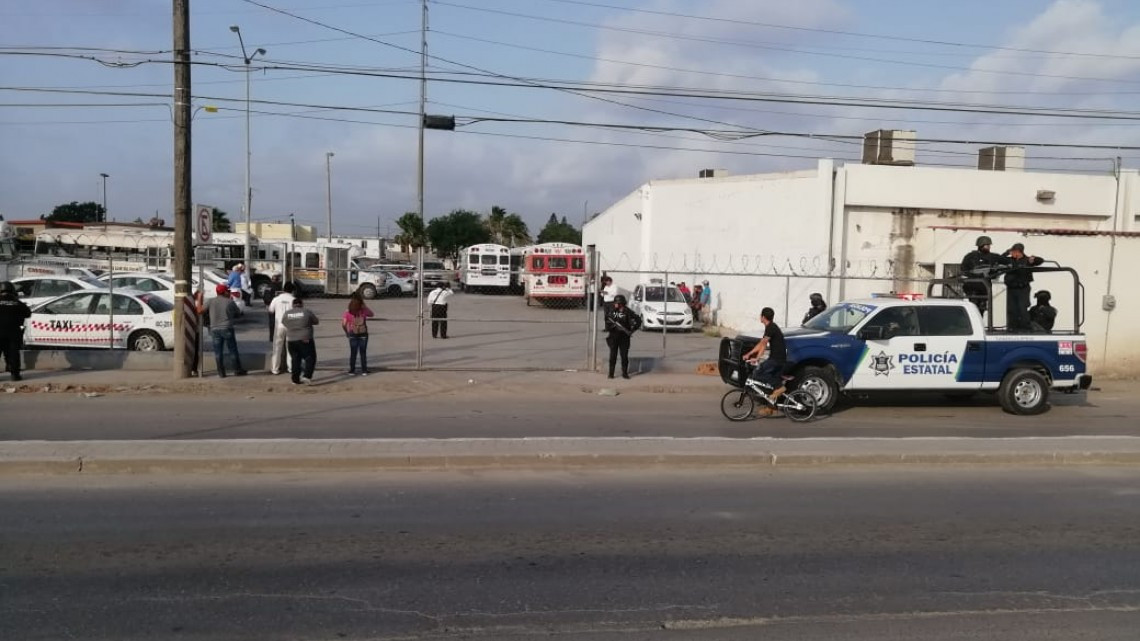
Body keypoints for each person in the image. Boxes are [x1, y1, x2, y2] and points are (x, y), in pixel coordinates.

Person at [742, 307, 787, 415]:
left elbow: (763, 344)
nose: (760, 317)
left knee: (758, 373)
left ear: (763, 317)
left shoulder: (771, 327)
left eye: (760, 315)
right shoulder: (770, 327)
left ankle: (780, 387)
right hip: (777, 359)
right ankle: (771, 408)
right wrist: (750, 354)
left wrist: (756, 358)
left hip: (777, 359)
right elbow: (762, 343)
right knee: (768, 384)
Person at [205, 283, 247, 377]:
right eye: (227, 291)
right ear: (224, 292)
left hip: (214, 329)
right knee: (232, 350)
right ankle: (237, 370)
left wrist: (199, 298)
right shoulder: (229, 302)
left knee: (218, 352)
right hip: (227, 328)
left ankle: (221, 372)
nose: (229, 292)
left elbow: (200, 310)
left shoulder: (210, 301)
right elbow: (238, 313)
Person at [1002, 243, 1045, 332]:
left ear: (1018, 252)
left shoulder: (1027, 260)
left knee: (1022, 308)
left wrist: (1034, 259)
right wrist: (1007, 252)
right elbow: (1000, 259)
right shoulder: (1010, 260)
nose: (1012, 254)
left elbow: (1040, 260)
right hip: (1011, 288)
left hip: (1023, 288)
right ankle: (1012, 327)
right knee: (1012, 309)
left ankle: (1025, 327)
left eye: (1013, 251)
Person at [959, 236, 1005, 314]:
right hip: (972, 287)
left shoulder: (992, 257)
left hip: (984, 288)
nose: (989, 247)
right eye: (987, 245)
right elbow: (964, 270)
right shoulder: (970, 257)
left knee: (981, 309)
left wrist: (995, 270)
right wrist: (977, 274)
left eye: (989, 245)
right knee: (974, 308)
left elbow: (1003, 261)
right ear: (981, 245)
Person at [281, 297, 320, 385]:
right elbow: (316, 321)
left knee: (295, 359)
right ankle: (307, 376)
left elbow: (284, 322)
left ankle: (295, 379)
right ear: (301, 304)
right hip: (305, 338)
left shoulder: (287, 313)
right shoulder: (306, 312)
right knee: (310, 357)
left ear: (293, 305)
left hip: (291, 339)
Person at [604, 294, 641, 379]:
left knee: (624, 356)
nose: (614, 304)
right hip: (613, 335)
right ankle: (611, 374)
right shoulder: (612, 311)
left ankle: (625, 373)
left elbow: (638, 320)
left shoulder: (628, 311)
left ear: (621, 303)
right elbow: (607, 320)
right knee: (613, 355)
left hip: (624, 337)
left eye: (616, 303)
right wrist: (612, 326)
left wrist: (632, 330)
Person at [0, 281, 32, 381]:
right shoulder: (17, 302)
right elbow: (28, 313)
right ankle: (15, 375)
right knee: (13, 353)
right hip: (14, 332)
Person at [267, 282, 296, 375]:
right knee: (290, 348)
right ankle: (291, 368)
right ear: (292, 290)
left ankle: (275, 369)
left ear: (283, 289)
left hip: (279, 325)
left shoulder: (276, 299)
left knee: (277, 347)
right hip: (290, 326)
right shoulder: (293, 300)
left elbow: (270, 310)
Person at [342, 293, 374, 375]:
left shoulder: (348, 312)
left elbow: (344, 324)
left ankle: (352, 370)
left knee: (353, 352)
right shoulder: (363, 310)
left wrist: (347, 332)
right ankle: (364, 370)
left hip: (352, 333)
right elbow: (372, 314)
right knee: (363, 352)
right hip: (363, 333)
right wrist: (365, 306)